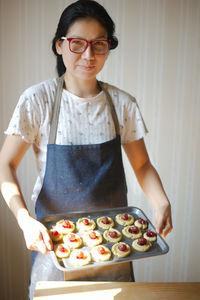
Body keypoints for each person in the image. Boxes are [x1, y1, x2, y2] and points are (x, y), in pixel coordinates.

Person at [0, 0, 172, 299]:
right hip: (55, 248)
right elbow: (5, 166)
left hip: (115, 243)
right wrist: (24, 219)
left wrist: (160, 202)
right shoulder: (37, 100)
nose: (88, 55)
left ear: (108, 47)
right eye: (78, 43)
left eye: (99, 44)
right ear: (59, 45)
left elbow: (142, 165)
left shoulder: (122, 104)